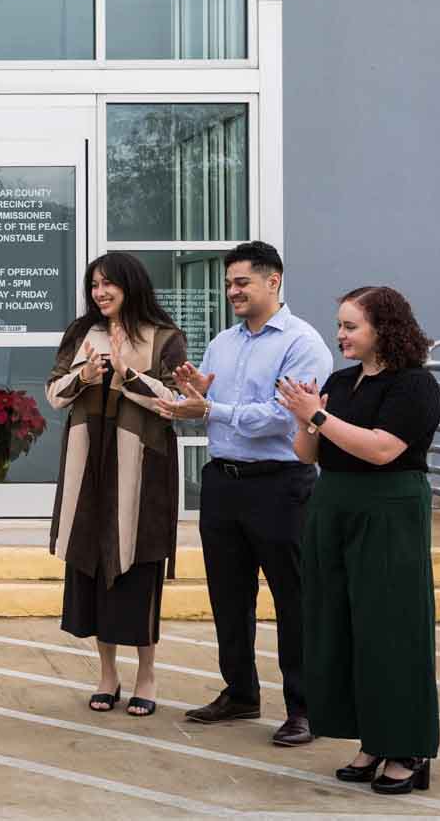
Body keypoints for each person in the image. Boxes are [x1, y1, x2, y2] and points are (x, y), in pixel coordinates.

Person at [160, 240, 334, 747]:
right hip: (223, 482)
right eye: (229, 282)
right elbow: (208, 404)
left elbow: (286, 418)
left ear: (273, 281)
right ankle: (240, 692)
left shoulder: (303, 344)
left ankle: (305, 707)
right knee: (228, 597)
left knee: (294, 600)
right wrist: (193, 394)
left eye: (243, 282)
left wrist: (210, 410)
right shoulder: (223, 343)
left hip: (280, 486)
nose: (232, 290)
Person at [278, 286, 440, 796]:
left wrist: (321, 416)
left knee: (390, 628)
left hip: (389, 508)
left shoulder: (414, 385)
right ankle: (372, 740)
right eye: (341, 325)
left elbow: (381, 450)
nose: (341, 335)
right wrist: (302, 415)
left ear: (384, 328)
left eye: (351, 326)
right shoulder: (341, 380)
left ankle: (407, 748)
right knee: (340, 626)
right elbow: (307, 453)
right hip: (334, 506)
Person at [46, 251, 188, 718]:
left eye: (109, 284)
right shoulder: (81, 334)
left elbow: (176, 401)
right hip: (89, 467)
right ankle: (107, 674)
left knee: (139, 567)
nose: (100, 293)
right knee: (91, 566)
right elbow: (54, 393)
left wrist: (127, 376)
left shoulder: (165, 337)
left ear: (132, 286)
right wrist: (84, 375)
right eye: (94, 285)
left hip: (143, 469)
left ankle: (147, 675)